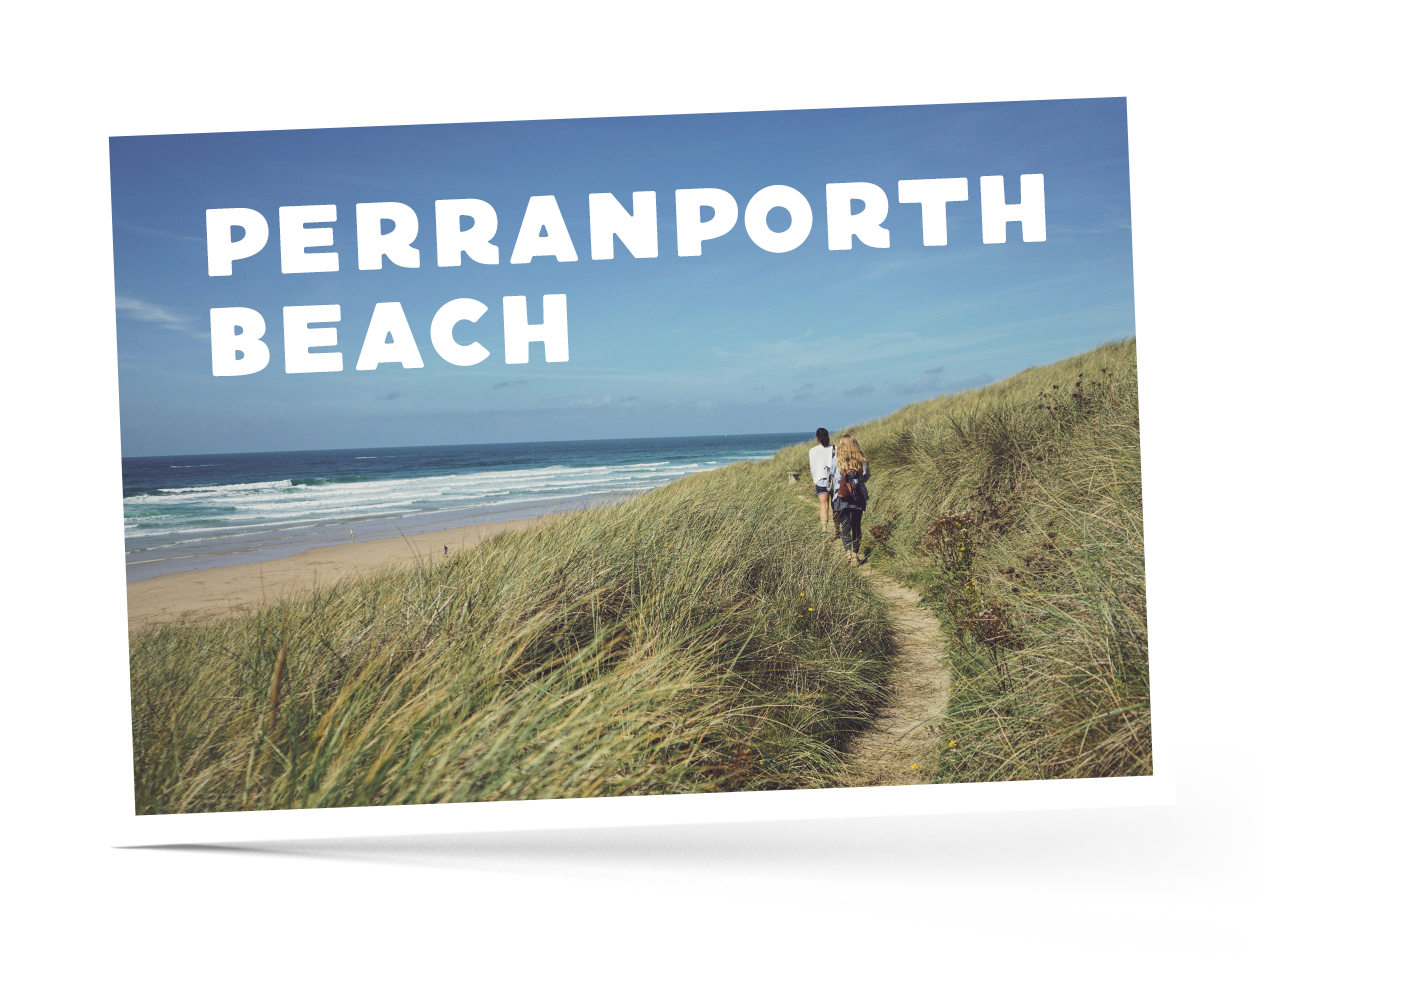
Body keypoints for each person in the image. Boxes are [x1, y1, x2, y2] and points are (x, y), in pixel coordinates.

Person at [832, 434, 870, 565]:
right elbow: (866, 477)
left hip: (842, 496)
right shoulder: (862, 460)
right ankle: (855, 555)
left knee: (845, 525)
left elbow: (834, 475)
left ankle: (847, 553)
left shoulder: (836, 460)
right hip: (857, 495)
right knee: (856, 525)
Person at [807, 428, 838, 534]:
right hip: (833, 479)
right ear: (827, 436)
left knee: (824, 505)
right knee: (835, 505)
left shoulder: (812, 451)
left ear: (817, 437)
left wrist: (815, 479)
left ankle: (824, 528)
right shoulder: (835, 448)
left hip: (820, 479)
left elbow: (812, 467)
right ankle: (837, 528)